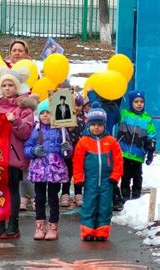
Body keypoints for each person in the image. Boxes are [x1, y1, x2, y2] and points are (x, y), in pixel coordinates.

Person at [0, 69, 36, 239]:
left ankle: (13, 224)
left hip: (13, 156)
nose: (7, 88)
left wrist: (15, 121)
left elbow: (25, 133)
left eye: (10, 85)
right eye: (4, 85)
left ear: (17, 87)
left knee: (12, 189)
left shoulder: (24, 108)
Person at [73, 104, 123, 242]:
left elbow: (118, 160)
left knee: (105, 206)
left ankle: (102, 230)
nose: (96, 127)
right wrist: (78, 179)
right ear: (88, 125)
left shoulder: (111, 142)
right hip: (90, 181)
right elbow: (77, 162)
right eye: (93, 124)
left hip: (107, 181)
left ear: (104, 125)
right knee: (89, 205)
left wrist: (115, 176)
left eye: (99, 124)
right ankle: (87, 230)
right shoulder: (83, 142)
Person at [24, 99, 72, 241]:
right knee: (39, 198)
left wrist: (67, 148)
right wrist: (33, 151)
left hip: (55, 169)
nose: (45, 116)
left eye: (48, 113)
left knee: (53, 198)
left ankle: (53, 226)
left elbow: (68, 151)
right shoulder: (36, 130)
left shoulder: (61, 130)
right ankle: (40, 226)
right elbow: (26, 147)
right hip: (39, 168)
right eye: (42, 113)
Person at [117, 90, 157, 202]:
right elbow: (116, 107)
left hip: (138, 153)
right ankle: (124, 193)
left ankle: (136, 194)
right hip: (124, 152)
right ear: (131, 103)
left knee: (137, 175)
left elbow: (151, 135)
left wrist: (150, 148)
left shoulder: (147, 119)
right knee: (125, 175)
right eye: (136, 101)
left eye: (141, 102)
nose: (139, 104)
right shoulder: (124, 115)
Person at [87, 88, 122, 211]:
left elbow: (93, 105)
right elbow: (118, 118)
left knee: (101, 172)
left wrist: (91, 92)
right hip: (108, 143)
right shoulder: (114, 107)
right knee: (107, 171)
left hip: (102, 143)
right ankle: (115, 198)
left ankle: (108, 199)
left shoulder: (100, 106)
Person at [60, 94, 86, 208]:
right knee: (67, 171)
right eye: (74, 105)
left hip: (80, 149)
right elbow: (62, 131)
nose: (76, 108)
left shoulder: (85, 118)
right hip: (68, 149)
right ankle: (65, 193)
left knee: (78, 172)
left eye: (79, 105)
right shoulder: (66, 117)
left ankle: (78, 193)